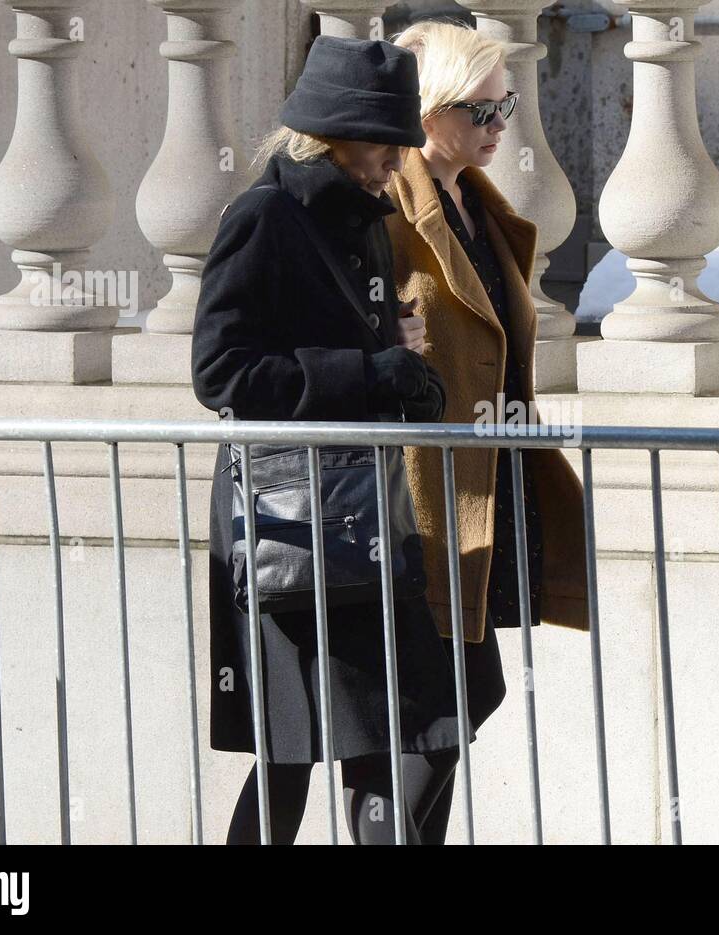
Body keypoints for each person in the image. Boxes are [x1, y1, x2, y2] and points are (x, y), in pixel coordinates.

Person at [191, 35, 468, 845]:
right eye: (387, 143)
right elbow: (221, 371)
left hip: (360, 520)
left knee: (377, 738)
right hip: (290, 519)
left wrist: (397, 354)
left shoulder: (364, 222)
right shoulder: (265, 216)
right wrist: (366, 370)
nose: (400, 161)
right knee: (295, 753)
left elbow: (347, 348)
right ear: (335, 133)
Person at [384, 19, 592, 750]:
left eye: (503, 106)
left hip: (486, 485)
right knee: (432, 715)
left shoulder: (479, 208)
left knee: (451, 708)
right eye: (481, 110)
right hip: (412, 506)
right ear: (428, 108)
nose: (500, 124)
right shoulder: (387, 209)